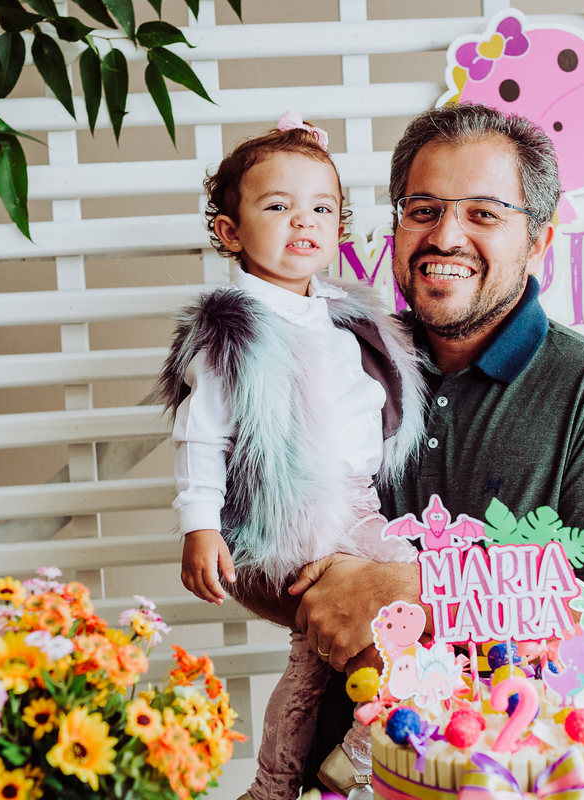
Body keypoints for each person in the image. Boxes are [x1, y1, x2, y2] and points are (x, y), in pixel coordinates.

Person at [287, 103, 584, 784]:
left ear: (539, 241)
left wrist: (414, 591)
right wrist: (332, 593)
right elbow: (247, 544)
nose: (446, 236)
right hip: (345, 774)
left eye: (484, 214)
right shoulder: (341, 363)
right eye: (423, 210)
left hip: (522, 777)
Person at [158, 113, 427, 800]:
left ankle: (276, 784)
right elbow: (201, 435)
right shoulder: (235, 332)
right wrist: (200, 525)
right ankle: (368, 750)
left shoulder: (341, 316)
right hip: (293, 512)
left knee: (312, 663)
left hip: (357, 499)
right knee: (407, 617)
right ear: (230, 232)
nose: (303, 220)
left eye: (322, 208)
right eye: (278, 206)